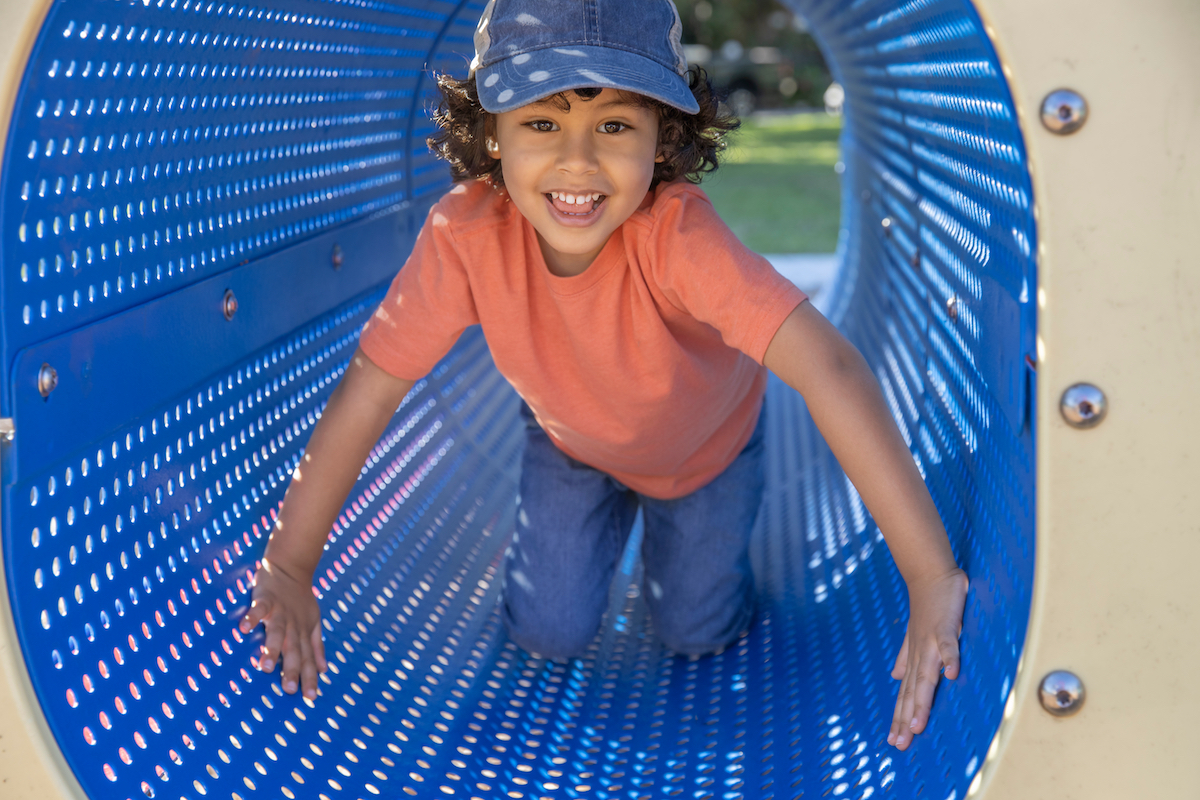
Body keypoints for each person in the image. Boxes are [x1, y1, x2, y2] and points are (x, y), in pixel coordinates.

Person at [238, 0, 968, 752]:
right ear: (493, 132)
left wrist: (929, 575)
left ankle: (708, 559)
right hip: (572, 441)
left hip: (705, 450)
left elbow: (832, 369)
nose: (578, 163)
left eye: (614, 125)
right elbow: (373, 383)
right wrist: (291, 565)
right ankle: (575, 534)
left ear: (663, 135)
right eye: (542, 123)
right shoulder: (465, 237)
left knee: (695, 629)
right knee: (546, 629)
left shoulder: (679, 238)